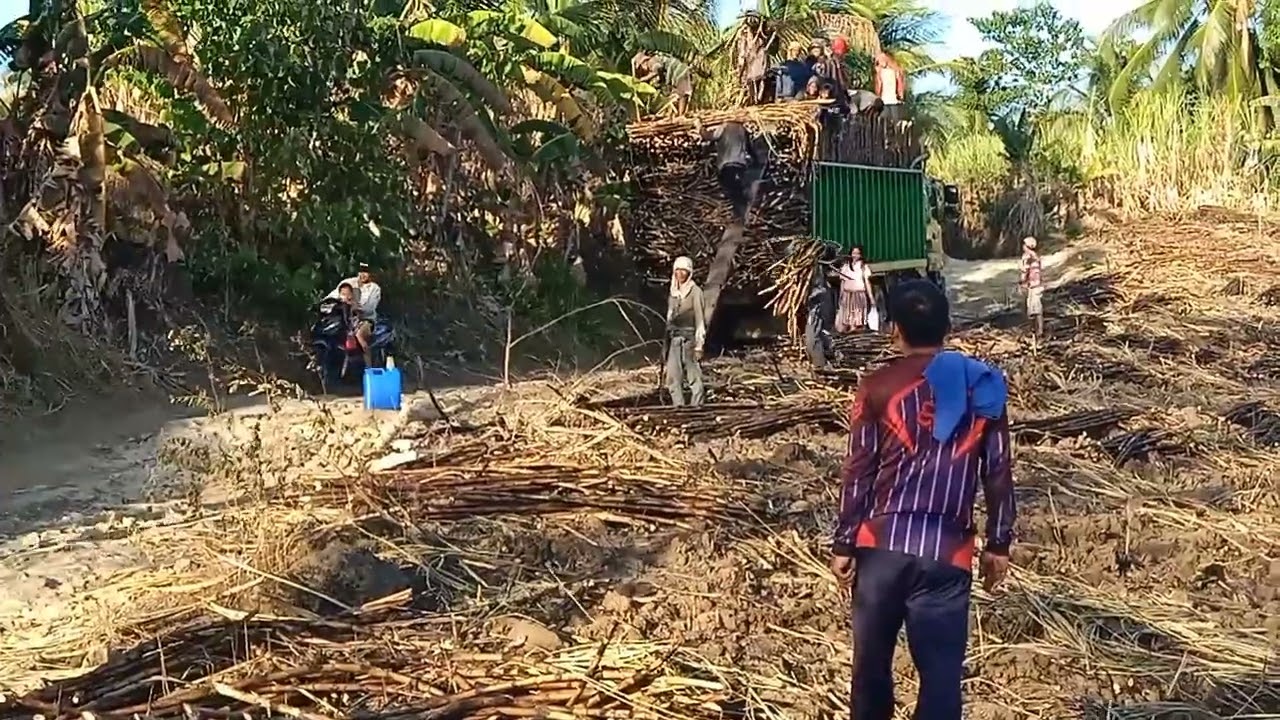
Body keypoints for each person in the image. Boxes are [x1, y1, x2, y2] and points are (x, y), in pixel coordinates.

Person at [830, 279, 1014, 720]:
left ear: (895, 329)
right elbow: (999, 469)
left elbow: (859, 468)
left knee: (870, 675)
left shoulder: (876, 386)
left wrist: (843, 543)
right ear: (948, 327)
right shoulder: (982, 386)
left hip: (882, 549)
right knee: (942, 682)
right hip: (947, 554)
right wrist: (998, 543)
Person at [665, 256, 706, 407]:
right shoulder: (674, 293)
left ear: (689, 273)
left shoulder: (696, 292)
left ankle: (697, 406)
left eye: (684, 271)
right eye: (678, 270)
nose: (680, 274)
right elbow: (669, 318)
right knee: (673, 377)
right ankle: (679, 407)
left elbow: (700, 320)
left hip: (690, 340)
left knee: (694, 377)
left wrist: (699, 345)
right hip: (675, 340)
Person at [329, 262, 382, 367]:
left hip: (365, 320)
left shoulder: (374, 289)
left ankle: (369, 367)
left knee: (359, 335)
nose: (363, 274)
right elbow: (333, 296)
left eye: (366, 272)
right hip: (346, 318)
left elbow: (370, 308)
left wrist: (356, 307)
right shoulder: (348, 283)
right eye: (361, 271)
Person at [634, 50, 693, 115]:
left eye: (641, 67)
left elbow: (657, 69)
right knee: (678, 94)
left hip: (680, 72)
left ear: (644, 63)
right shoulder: (653, 64)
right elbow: (661, 75)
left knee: (682, 94)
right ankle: (680, 114)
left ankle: (681, 115)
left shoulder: (652, 61)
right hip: (677, 74)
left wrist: (643, 79)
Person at [834, 247, 873, 333]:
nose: (855, 255)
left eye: (857, 253)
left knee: (858, 312)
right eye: (853, 253)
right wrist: (841, 295)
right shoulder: (846, 267)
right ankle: (851, 328)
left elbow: (867, 283)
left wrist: (871, 297)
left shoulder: (863, 267)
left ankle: (855, 329)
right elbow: (843, 282)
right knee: (848, 312)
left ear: (861, 255)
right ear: (850, 254)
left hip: (859, 294)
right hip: (848, 294)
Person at [736, 12, 768, 105]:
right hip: (752, 75)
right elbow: (742, 57)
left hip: (758, 74)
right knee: (753, 95)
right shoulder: (745, 40)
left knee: (757, 95)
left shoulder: (761, 40)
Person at [1019, 236, 1044, 339]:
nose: (1022, 246)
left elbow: (1025, 272)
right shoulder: (1035, 256)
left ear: (1027, 246)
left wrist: (1021, 282)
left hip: (1033, 286)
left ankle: (1036, 331)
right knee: (1036, 309)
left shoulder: (1028, 257)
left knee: (1034, 310)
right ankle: (1037, 330)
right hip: (1038, 285)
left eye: (1024, 245)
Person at [872, 52, 906, 123]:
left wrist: (877, 97)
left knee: (882, 123)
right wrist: (901, 97)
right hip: (894, 101)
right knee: (895, 124)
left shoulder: (880, 73)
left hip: (884, 102)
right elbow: (900, 86)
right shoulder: (896, 71)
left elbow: (878, 87)